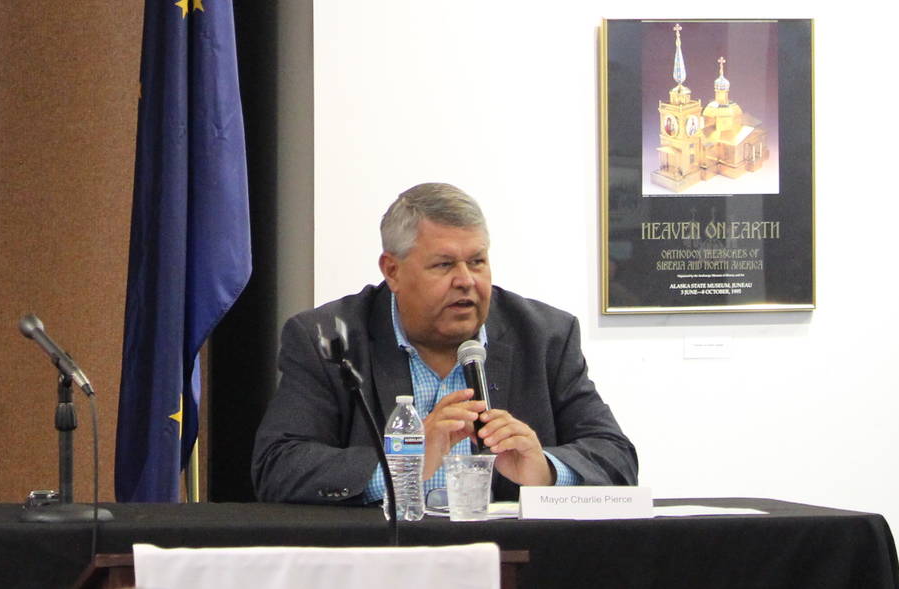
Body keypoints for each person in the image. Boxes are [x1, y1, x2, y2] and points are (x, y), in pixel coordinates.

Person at [252, 182, 635, 505]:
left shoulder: (545, 335)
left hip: (508, 561)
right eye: (444, 265)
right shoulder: (331, 340)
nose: (466, 281)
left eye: (477, 261)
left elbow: (616, 457)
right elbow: (278, 466)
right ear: (392, 271)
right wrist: (403, 462)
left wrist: (547, 470)